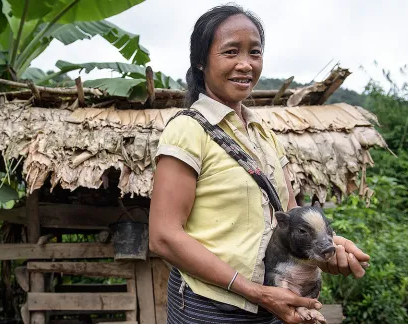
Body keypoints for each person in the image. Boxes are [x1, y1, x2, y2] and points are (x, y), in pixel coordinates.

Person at [148, 4, 370, 324]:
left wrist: (327, 247)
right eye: (230, 52)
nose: (245, 64)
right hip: (212, 308)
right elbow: (164, 235)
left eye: (255, 52)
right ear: (200, 62)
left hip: (273, 303)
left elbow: (290, 218)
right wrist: (256, 291)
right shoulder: (188, 130)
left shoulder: (263, 133)